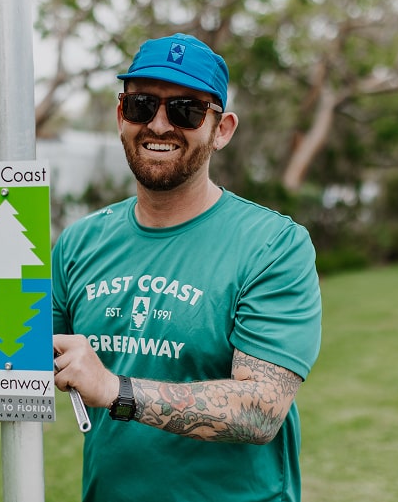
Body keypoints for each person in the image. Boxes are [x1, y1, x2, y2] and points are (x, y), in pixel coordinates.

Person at [51, 33, 322, 502]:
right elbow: (26, 357)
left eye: (185, 110)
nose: (158, 125)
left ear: (222, 129)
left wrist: (117, 390)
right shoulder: (80, 243)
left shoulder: (273, 246)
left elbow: (261, 409)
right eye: (141, 105)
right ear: (121, 115)